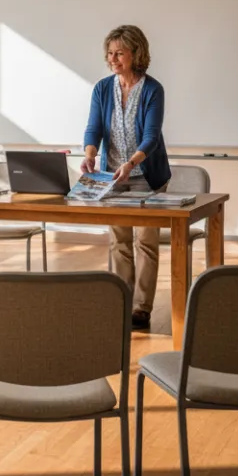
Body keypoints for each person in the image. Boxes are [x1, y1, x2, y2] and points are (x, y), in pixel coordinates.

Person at [80, 25, 171, 329]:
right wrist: (90, 154)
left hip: (146, 174)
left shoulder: (153, 90)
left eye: (119, 53)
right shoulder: (102, 89)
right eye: (110, 53)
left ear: (136, 54)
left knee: (145, 242)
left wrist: (131, 164)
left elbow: (151, 137)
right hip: (113, 175)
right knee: (118, 241)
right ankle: (122, 301)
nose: (112, 59)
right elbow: (93, 128)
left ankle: (141, 309)